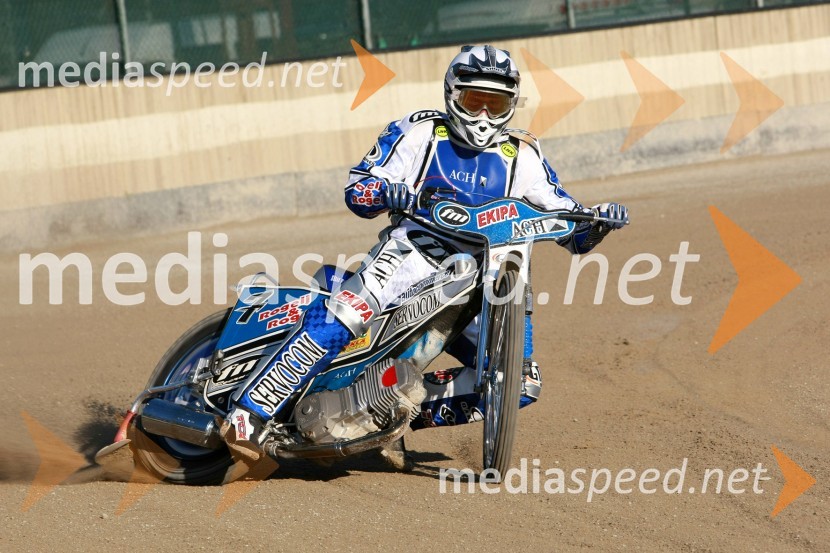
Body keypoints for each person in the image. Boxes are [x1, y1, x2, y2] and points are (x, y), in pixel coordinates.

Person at [220, 44, 628, 464]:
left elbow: (570, 227)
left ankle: (388, 417)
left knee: (519, 385)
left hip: (483, 283)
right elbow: (358, 189)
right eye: (475, 100)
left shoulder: (522, 154)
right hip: (412, 253)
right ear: (453, 94)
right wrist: (383, 190)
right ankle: (248, 411)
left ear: (512, 104)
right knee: (349, 311)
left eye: (496, 103)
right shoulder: (421, 132)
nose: (485, 115)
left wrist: (596, 222)